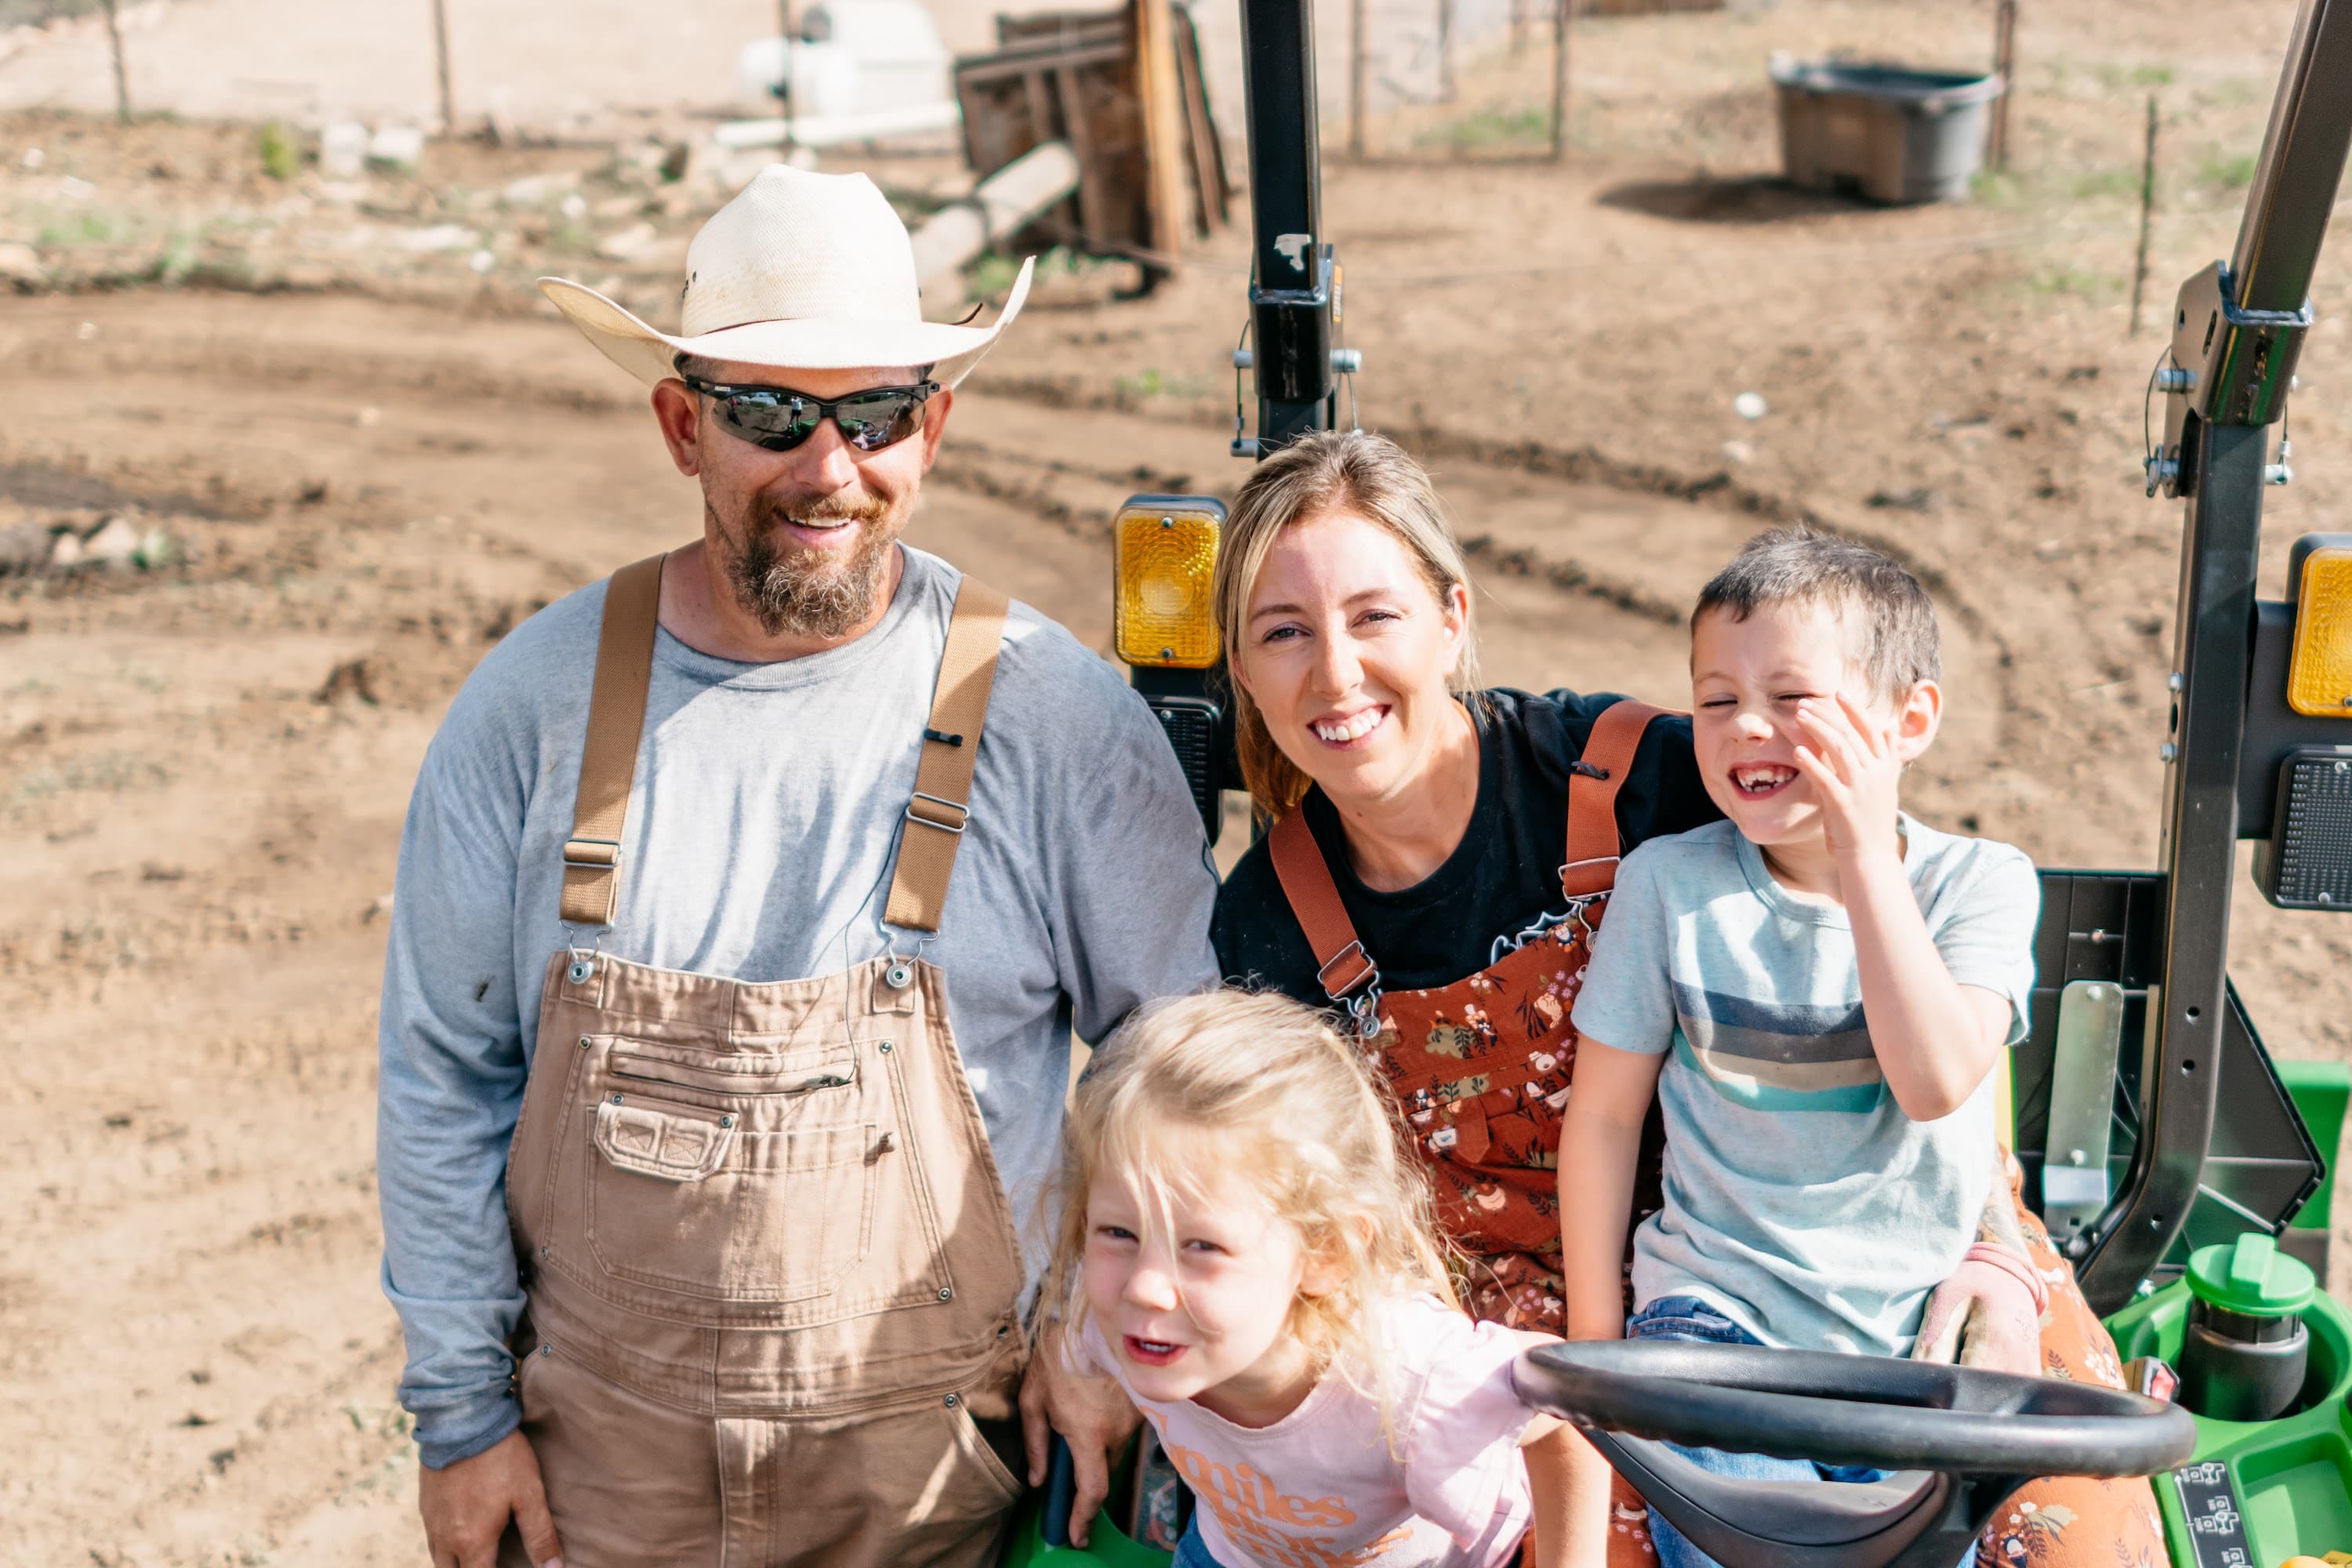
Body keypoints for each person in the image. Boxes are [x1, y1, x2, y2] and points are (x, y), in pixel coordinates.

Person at [374, 165, 1217, 1568]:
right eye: (770, 414)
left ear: (932, 427)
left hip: (944, 1480)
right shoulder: (534, 705)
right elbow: (444, 1076)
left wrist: (1099, 1328)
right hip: (601, 1487)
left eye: (875, 413)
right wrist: (461, 1421)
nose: (830, 468)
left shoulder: (1051, 712)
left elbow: (1176, 1065)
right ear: (679, 424)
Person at [1206, 430, 2163, 1566]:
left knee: (2065, 1529)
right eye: (1284, 633)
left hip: (1895, 1234)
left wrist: (1997, 1245)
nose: (1336, 672)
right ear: (1243, 668)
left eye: (1375, 617)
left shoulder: (1646, 776)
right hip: (1580, 1311)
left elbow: (1918, 1016)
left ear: (1451, 618)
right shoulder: (1270, 919)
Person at [1044, 989, 1596, 1568]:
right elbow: (1071, 1330)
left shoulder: (1409, 1379)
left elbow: (1566, 1411)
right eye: (1118, 1233)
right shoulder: (1110, 1313)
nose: (1144, 1287)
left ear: (1325, 1253)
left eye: (1202, 1247)